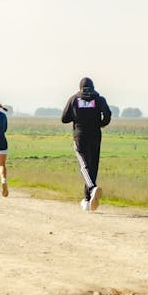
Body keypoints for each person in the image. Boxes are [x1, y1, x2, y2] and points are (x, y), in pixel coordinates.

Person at [61, 77, 111, 212]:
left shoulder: (74, 99)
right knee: (93, 167)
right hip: (95, 136)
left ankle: (92, 188)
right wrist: (99, 123)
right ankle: (88, 200)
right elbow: (107, 115)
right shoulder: (99, 99)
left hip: (80, 136)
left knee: (84, 166)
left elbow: (64, 118)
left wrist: (77, 117)